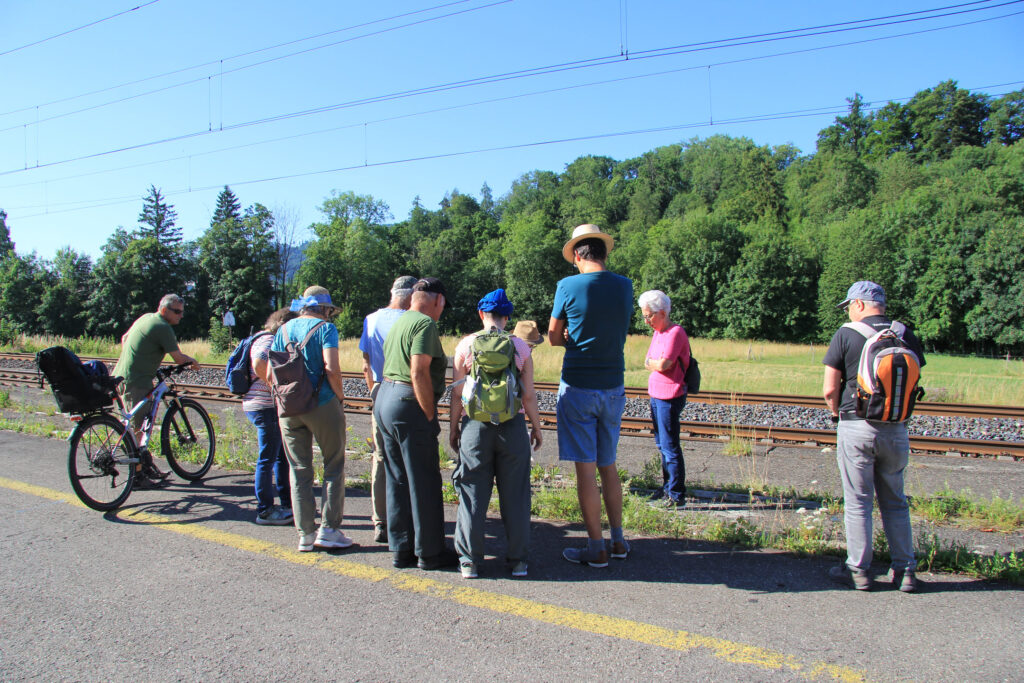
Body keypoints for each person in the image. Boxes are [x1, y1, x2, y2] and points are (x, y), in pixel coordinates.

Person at [823, 280, 925, 592]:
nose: (849, 311)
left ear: (859, 304)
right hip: (896, 428)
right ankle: (905, 571)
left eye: (849, 305)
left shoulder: (847, 333)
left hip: (857, 425)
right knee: (895, 501)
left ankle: (859, 571)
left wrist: (835, 412)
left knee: (858, 502)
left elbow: (830, 389)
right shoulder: (904, 334)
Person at [548, 224, 633, 568]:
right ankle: (618, 542)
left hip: (579, 385)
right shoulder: (625, 286)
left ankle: (595, 548)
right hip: (614, 385)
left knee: (585, 470)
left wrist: (569, 336)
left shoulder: (568, 286)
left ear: (579, 256)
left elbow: (553, 336)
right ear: (604, 253)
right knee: (608, 465)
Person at [449, 289, 543, 579]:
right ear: (507, 317)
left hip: (475, 427)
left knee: (472, 492)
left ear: (481, 314)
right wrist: (536, 427)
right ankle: (518, 562)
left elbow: (456, 394)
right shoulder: (521, 348)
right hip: (512, 427)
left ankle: (469, 562)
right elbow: (527, 396)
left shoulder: (466, 345)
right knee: (516, 495)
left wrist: (454, 427)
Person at [373, 277, 458, 570]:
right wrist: (429, 414)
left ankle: (402, 550)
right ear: (439, 301)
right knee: (424, 480)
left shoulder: (399, 321)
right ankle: (430, 553)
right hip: (408, 404)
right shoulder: (425, 324)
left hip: (384, 398)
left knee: (397, 478)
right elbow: (419, 370)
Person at [270, 286, 352, 553]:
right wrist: (339, 398)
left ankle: (305, 534)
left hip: (289, 407)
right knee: (334, 464)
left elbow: (272, 371)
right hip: (322, 402)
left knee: (299, 470)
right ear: (325, 309)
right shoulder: (326, 329)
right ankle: (329, 530)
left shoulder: (282, 330)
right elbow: (331, 368)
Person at [112, 293, 199, 489]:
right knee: (135, 428)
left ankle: (145, 465)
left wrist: (139, 357)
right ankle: (136, 477)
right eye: (177, 311)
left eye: (182, 312)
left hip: (122, 376)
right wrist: (193, 362)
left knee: (137, 425)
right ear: (164, 309)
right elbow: (178, 359)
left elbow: (125, 338)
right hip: (136, 381)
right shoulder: (162, 327)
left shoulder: (145, 318)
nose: (180, 316)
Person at [359, 275, 417, 544]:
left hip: (380, 390)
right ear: (410, 296)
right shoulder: (414, 320)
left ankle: (380, 522)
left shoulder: (371, 319)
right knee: (410, 458)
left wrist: (374, 392)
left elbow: (365, 362)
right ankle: (409, 519)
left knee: (381, 459)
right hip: (407, 392)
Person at [638, 289, 691, 507]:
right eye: (644, 316)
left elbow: (663, 364)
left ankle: (676, 494)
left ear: (662, 313)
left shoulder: (675, 332)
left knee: (670, 446)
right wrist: (654, 363)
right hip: (656, 393)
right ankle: (667, 487)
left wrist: (655, 363)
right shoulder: (658, 333)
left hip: (670, 395)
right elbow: (647, 361)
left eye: (648, 315)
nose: (646, 320)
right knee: (661, 443)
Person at [245, 308, 297, 525]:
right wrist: (275, 387)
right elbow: (258, 364)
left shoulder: (256, 337)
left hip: (259, 405)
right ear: (283, 324)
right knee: (267, 459)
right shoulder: (267, 340)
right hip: (264, 406)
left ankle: (286, 504)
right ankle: (265, 510)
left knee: (278, 456)